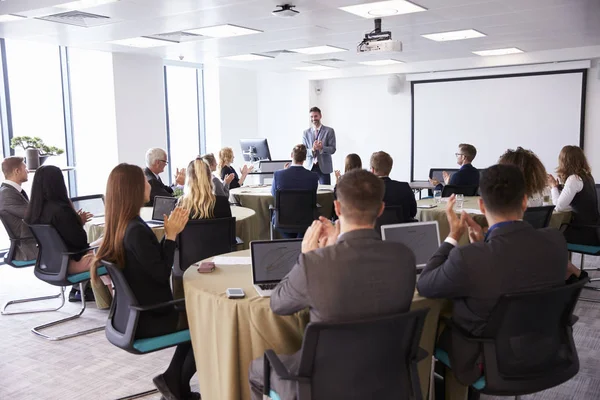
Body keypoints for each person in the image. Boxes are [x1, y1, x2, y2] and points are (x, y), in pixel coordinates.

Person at [249, 169, 417, 399]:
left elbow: (278, 304)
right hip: (386, 378)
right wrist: (336, 245)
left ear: (337, 208)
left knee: (257, 368)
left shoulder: (315, 264)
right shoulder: (405, 257)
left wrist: (305, 255)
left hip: (320, 385)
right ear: (380, 209)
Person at [417, 164, 569, 386]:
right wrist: (481, 246)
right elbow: (512, 265)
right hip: (542, 350)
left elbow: (426, 284)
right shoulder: (556, 242)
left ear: (481, 203)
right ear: (525, 201)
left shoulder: (468, 257)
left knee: (431, 321)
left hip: (485, 360)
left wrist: (452, 236)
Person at [92, 164, 198, 400]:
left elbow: (151, 265)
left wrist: (171, 234)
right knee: (208, 319)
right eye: (144, 181)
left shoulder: (120, 226)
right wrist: (170, 236)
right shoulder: (136, 230)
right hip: (150, 317)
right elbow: (161, 273)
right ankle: (174, 381)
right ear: (132, 189)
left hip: (130, 316)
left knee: (198, 316)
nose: (150, 184)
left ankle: (175, 383)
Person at [24, 165, 95, 302]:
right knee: (116, 251)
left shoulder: (34, 211)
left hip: (49, 264)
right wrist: (77, 220)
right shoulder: (62, 211)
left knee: (104, 240)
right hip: (71, 263)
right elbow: (80, 242)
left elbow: (59, 239)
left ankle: (105, 299)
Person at [548, 145, 600, 245]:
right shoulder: (588, 176)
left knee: (549, 237)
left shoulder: (574, 179)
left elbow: (558, 207)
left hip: (583, 232)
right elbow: (574, 202)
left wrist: (553, 187)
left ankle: (562, 261)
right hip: (594, 230)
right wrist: (558, 188)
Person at [271, 144, 319, 238]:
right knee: (301, 235)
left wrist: (284, 172)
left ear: (291, 155)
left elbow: (274, 194)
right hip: (306, 220)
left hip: (283, 220)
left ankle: (291, 245)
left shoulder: (279, 175)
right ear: (305, 158)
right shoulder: (313, 176)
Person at [0, 156, 37, 260]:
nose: (28, 171)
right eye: (25, 168)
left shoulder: (11, 191)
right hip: (29, 247)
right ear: (17, 171)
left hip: (33, 241)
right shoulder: (7, 194)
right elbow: (33, 215)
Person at [370, 151, 416, 222]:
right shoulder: (405, 188)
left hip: (374, 232)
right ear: (390, 168)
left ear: (372, 170)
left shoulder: (366, 191)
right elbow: (413, 213)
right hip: (402, 231)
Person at [302, 106, 337, 185]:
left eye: (316, 116)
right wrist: (312, 150)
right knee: (309, 193)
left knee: (325, 192)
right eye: (311, 116)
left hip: (324, 168)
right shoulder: (305, 133)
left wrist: (322, 148)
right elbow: (303, 152)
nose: (314, 118)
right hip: (310, 168)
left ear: (320, 116)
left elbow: (333, 149)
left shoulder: (329, 131)